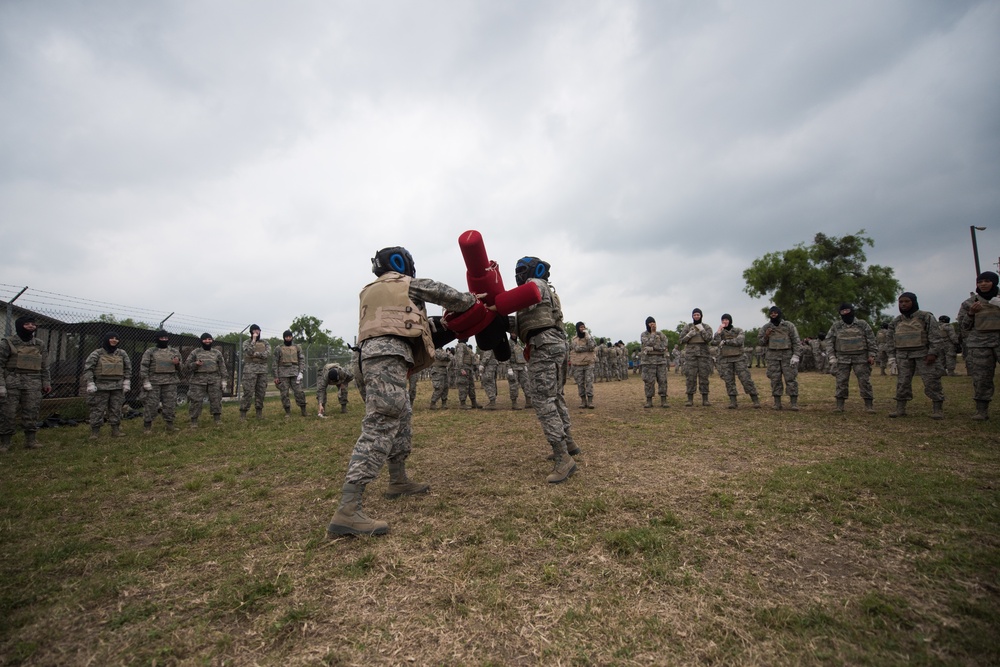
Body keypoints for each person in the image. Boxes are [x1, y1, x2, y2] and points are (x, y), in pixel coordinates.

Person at [326, 246, 478, 537]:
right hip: (386, 358)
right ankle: (348, 509)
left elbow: (405, 323)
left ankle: (398, 480)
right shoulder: (405, 283)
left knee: (401, 417)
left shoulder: (370, 290)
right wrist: (475, 301)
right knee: (382, 424)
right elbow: (452, 297)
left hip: (369, 358)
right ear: (400, 263)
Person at [511, 256, 579, 483]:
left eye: (521, 270)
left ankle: (563, 458)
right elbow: (527, 321)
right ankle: (568, 442)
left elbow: (521, 299)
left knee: (543, 399)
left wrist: (495, 305)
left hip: (545, 345)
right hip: (554, 343)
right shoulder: (544, 291)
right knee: (556, 396)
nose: (518, 274)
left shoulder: (536, 284)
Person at [887, 292, 944, 419]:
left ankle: (937, 409)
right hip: (903, 356)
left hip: (923, 355)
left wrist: (933, 353)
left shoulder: (926, 317)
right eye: (901, 302)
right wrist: (892, 358)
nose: (903, 304)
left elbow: (935, 337)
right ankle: (900, 408)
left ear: (913, 302)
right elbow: (890, 341)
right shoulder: (896, 321)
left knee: (931, 381)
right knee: (903, 382)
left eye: (907, 301)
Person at [0, 315, 52, 450]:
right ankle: (5, 442)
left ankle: (31, 440)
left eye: (33, 324)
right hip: (11, 382)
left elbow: (45, 365)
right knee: (7, 412)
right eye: (27, 324)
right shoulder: (8, 343)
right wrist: (1, 385)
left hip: (33, 383)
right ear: (19, 325)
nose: (31, 326)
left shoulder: (39, 344)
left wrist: (46, 382)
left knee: (31, 412)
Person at [957, 271, 1000, 420]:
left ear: (994, 282)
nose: (983, 284)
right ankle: (982, 410)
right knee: (981, 379)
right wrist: (970, 313)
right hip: (980, 344)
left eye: (987, 281)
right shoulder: (969, 303)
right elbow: (963, 326)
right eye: (980, 281)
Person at [825, 304, 877, 413]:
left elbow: (871, 339)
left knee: (864, 381)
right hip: (842, 358)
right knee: (841, 381)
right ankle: (840, 406)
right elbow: (829, 341)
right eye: (842, 311)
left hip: (861, 357)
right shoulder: (836, 326)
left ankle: (869, 405)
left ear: (852, 311)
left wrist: (872, 355)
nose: (845, 313)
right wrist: (832, 357)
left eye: (847, 310)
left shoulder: (862, 324)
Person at [83, 331, 131, 439]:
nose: (114, 340)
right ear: (106, 339)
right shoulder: (97, 353)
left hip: (117, 387)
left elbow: (128, 368)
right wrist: (90, 382)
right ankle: (95, 432)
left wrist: (127, 381)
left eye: (116, 338)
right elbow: (88, 369)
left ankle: (115, 430)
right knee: (98, 409)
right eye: (111, 338)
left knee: (116, 409)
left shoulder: (122, 353)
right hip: (100, 387)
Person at [139, 330, 183, 434]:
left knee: (170, 404)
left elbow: (181, 368)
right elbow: (144, 367)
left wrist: (177, 364)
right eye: (161, 338)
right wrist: (145, 381)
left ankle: (170, 424)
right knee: (151, 404)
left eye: (165, 338)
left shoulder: (174, 352)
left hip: (170, 382)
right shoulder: (150, 351)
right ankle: (147, 426)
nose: (164, 340)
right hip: (154, 382)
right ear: (157, 339)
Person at [760, 306, 802, 410]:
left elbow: (796, 341)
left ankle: (793, 403)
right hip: (773, 357)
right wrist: (766, 335)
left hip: (787, 356)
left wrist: (796, 355)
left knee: (790, 379)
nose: (773, 314)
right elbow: (761, 342)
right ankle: (777, 403)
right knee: (775, 380)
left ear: (779, 313)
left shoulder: (789, 326)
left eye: (775, 313)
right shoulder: (766, 327)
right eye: (771, 313)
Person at [713, 314, 760, 409]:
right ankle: (733, 401)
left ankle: (755, 400)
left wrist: (726, 342)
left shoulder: (738, 330)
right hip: (726, 359)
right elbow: (714, 342)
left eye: (726, 320)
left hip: (739, 358)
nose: (724, 321)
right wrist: (718, 331)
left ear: (730, 320)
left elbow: (739, 341)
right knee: (729, 381)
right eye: (723, 320)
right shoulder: (721, 333)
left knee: (745, 379)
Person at [184, 333, 228, 428]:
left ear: (212, 340)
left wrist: (224, 380)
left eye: (209, 339)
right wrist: (195, 364)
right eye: (205, 339)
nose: (207, 341)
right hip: (198, 381)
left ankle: (217, 419)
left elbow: (222, 367)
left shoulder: (217, 353)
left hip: (214, 380)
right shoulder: (195, 352)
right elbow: (187, 366)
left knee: (216, 400)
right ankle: (194, 421)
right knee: (196, 401)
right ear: (201, 341)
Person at [679, 308, 713, 406]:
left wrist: (702, 330)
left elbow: (709, 339)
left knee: (704, 377)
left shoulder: (706, 327)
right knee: (690, 377)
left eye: (698, 315)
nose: (696, 316)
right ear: (692, 316)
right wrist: (689, 335)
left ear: (701, 316)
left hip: (703, 355)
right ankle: (690, 399)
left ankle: (705, 399)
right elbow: (681, 340)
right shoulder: (688, 327)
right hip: (691, 356)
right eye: (695, 315)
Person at [240, 325, 270, 420]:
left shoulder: (265, 343)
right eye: (254, 331)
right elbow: (249, 352)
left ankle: (259, 413)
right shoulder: (246, 342)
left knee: (261, 392)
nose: (257, 332)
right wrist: (253, 340)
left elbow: (267, 354)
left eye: (258, 330)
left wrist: (257, 354)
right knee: (248, 392)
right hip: (250, 371)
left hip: (262, 370)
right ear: (251, 332)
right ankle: (243, 413)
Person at [639, 316, 669, 408]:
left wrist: (653, 348)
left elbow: (664, 346)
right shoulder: (644, 335)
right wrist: (652, 333)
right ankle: (649, 401)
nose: (652, 325)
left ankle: (663, 400)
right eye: (650, 323)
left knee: (663, 381)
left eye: (653, 323)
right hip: (648, 362)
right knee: (649, 381)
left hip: (660, 362)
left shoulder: (661, 334)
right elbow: (647, 343)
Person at [569, 322, 597, 409]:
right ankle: (583, 401)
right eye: (581, 327)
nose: (582, 328)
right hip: (578, 364)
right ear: (577, 328)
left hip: (588, 363)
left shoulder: (589, 337)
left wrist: (588, 337)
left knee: (589, 382)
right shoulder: (574, 339)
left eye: (583, 327)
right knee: (580, 383)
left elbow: (592, 346)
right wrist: (587, 348)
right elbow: (576, 349)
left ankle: (590, 401)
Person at [454, 338, 481, 409]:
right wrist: (461, 368)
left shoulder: (466, 346)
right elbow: (459, 357)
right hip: (464, 368)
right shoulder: (460, 346)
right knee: (463, 386)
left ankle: (474, 402)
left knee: (471, 386)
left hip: (469, 368)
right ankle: (462, 403)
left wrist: (474, 365)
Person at [508, 334, 530, 410]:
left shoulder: (518, 343)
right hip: (513, 367)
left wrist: (525, 365)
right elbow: (506, 356)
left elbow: (522, 354)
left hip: (522, 366)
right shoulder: (508, 343)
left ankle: (528, 401)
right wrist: (508, 368)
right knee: (514, 385)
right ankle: (514, 403)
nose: (514, 334)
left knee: (526, 383)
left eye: (515, 333)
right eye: (512, 333)